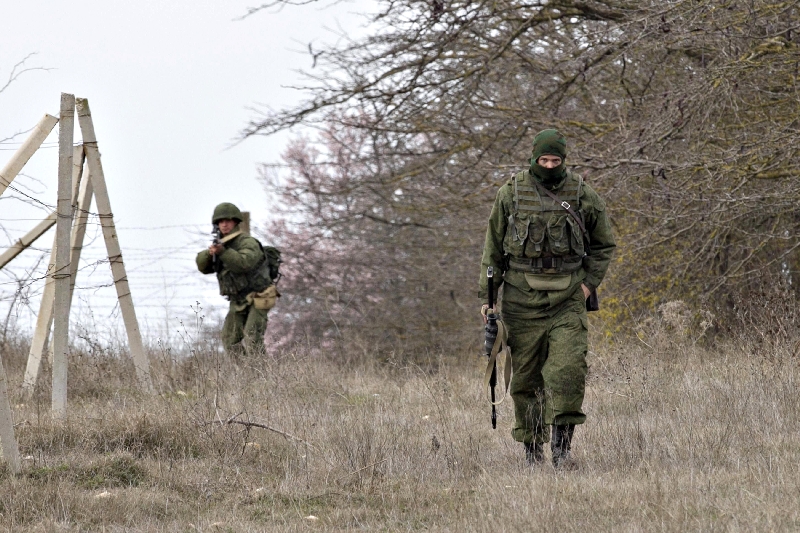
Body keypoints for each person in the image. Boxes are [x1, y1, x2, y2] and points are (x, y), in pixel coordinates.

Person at [479, 129, 616, 467]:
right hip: (521, 300)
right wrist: (488, 299)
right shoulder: (510, 193)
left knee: (568, 371)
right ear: (534, 158)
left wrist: (587, 286)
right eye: (544, 160)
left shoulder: (582, 193)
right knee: (525, 378)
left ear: (564, 160)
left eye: (556, 160)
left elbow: (603, 245)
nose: (550, 165)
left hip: (568, 298)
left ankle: (562, 451)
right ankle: (531, 452)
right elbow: (492, 250)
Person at [196, 202, 278, 355]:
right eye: (221, 221)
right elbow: (203, 267)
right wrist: (210, 253)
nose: (224, 224)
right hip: (238, 299)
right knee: (230, 339)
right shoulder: (220, 244)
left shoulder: (247, 242)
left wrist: (223, 253)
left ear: (235, 222)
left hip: (260, 295)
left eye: (228, 220)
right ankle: (246, 375)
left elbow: (244, 263)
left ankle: (264, 375)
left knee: (252, 336)